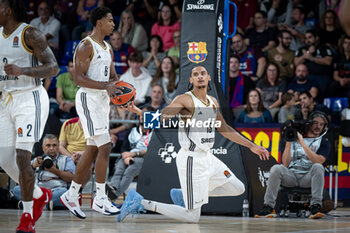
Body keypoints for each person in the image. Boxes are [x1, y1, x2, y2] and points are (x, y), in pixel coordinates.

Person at [117, 65, 270, 223]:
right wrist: (138, 111)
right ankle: (140, 202)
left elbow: (225, 128)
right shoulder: (185, 100)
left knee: (238, 188)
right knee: (192, 217)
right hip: (191, 160)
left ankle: (185, 195)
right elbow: (163, 116)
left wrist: (252, 145)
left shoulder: (213, 101)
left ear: (209, 77)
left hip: (208, 158)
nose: (200, 76)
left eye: (203, 73)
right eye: (195, 74)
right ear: (191, 79)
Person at [0, 0, 59, 232]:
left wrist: (23, 70)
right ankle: (39, 194)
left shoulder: (30, 34)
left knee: (23, 157)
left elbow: (53, 68)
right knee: (4, 159)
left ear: (9, 10)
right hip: (7, 99)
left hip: (30, 97)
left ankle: (26, 217)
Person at [60, 6, 120, 219]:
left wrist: (120, 89)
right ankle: (101, 199)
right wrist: (106, 86)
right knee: (105, 146)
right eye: (110, 20)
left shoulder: (108, 47)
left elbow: (112, 76)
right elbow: (78, 79)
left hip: (102, 101)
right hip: (88, 98)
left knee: (93, 149)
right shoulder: (86, 45)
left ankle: (72, 194)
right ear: (99, 22)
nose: (114, 24)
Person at [255, 111, 330, 219]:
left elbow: (318, 160)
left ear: (324, 127)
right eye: (315, 123)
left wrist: (302, 143)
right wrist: (289, 141)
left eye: (321, 124)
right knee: (276, 168)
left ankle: (315, 206)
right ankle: (268, 207)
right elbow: (285, 164)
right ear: (309, 123)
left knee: (318, 167)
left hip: (308, 177)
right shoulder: (293, 136)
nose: (318, 126)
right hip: (291, 176)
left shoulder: (324, 141)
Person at [12, 134, 75, 209]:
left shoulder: (66, 159)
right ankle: (45, 204)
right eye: (48, 145)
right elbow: (23, 177)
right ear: (43, 148)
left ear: (58, 147)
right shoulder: (37, 160)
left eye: (54, 145)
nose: (51, 148)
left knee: (64, 192)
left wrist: (54, 170)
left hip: (56, 190)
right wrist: (33, 167)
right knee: (16, 189)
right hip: (37, 190)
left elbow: (72, 178)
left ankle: (32, 204)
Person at [108, 106, 154, 201]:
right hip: (128, 156)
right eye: (141, 115)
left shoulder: (156, 133)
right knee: (119, 169)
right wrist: (126, 157)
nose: (142, 117)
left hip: (144, 158)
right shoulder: (131, 131)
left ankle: (113, 196)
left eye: (145, 115)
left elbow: (152, 151)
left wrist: (133, 154)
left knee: (129, 171)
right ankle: (113, 188)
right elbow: (124, 148)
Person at [294, 29, 334, 100]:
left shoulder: (324, 48)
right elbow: (296, 63)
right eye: (306, 38)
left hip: (322, 77)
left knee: (317, 95)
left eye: (310, 37)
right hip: (306, 77)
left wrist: (312, 58)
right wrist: (308, 53)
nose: (307, 40)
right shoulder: (302, 49)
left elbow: (328, 61)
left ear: (317, 38)